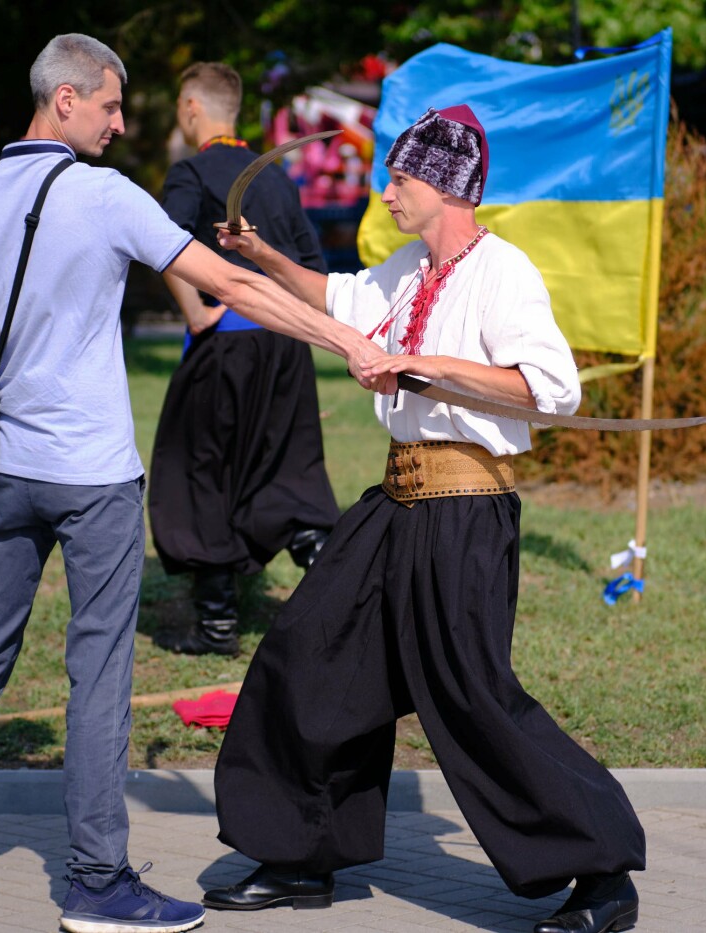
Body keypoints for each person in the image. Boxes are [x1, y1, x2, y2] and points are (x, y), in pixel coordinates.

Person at [0, 34, 385, 933]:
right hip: (95, 479)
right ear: (63, 99)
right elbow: (225, 277)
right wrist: (345, 339)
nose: (122, 123)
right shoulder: (107, 197)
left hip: (13, 473)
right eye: (110, 106)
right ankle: (97, 881)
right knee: (100, 672)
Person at [202, 106, 647, 933]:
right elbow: (340, 298)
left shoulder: (502, 272)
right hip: (393, 506)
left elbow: (552, 390)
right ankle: (303, 853)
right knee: (308, 655)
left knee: (472, 698)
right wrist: (262, 255)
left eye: (399, 179)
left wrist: (426, 365)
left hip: (467, 510)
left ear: (444, 186)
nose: (387, 192)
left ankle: (600, 870)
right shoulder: (409, 268)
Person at [147, 62, 339, 657]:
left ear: (190, 109)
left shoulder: (192, 170)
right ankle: (338, 601)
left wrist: (195, 313)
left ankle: (217, 625)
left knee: (202, 470)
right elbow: (313, 264)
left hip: (225, 342)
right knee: (285, 471)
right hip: (285, 345)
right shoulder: (276, 178)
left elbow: (163, 242)